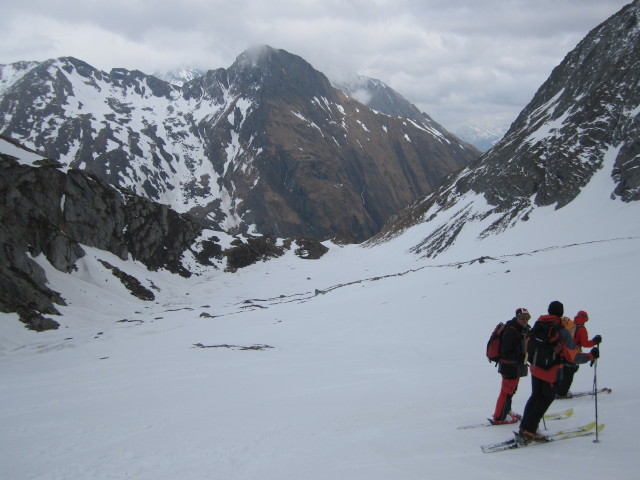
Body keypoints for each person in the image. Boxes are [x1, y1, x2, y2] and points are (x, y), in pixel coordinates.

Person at [518, 301, 600, 442]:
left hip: (536, 368)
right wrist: (591, 356)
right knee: (544, 400)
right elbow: (572, 356)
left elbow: (528, 344)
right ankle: (529, 431)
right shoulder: (561, 331)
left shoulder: (539, 324)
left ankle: (525, 427)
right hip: (551, 372)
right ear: (561, 313)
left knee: (535, 397)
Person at [491, 307, 531, 424]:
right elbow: (506, 352)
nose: (525, 320)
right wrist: (520, 355)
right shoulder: (511, 331)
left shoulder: (521, 330)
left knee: (512, 391)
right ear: (517, 317)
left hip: (516, 366)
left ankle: (506, 411)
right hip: (510, 367)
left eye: (527, 318)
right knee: (506, 391)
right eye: (522, 318)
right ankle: (499, 417)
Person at [556, 310, 602, 398]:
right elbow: (585, 343)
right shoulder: (582, 329)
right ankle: (563, 392)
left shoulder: (570, 325)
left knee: (563, 372)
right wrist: (594, 341)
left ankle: (558, 389)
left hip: (563, 352)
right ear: (585, 319)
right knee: (571, 371)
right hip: (574, 353)